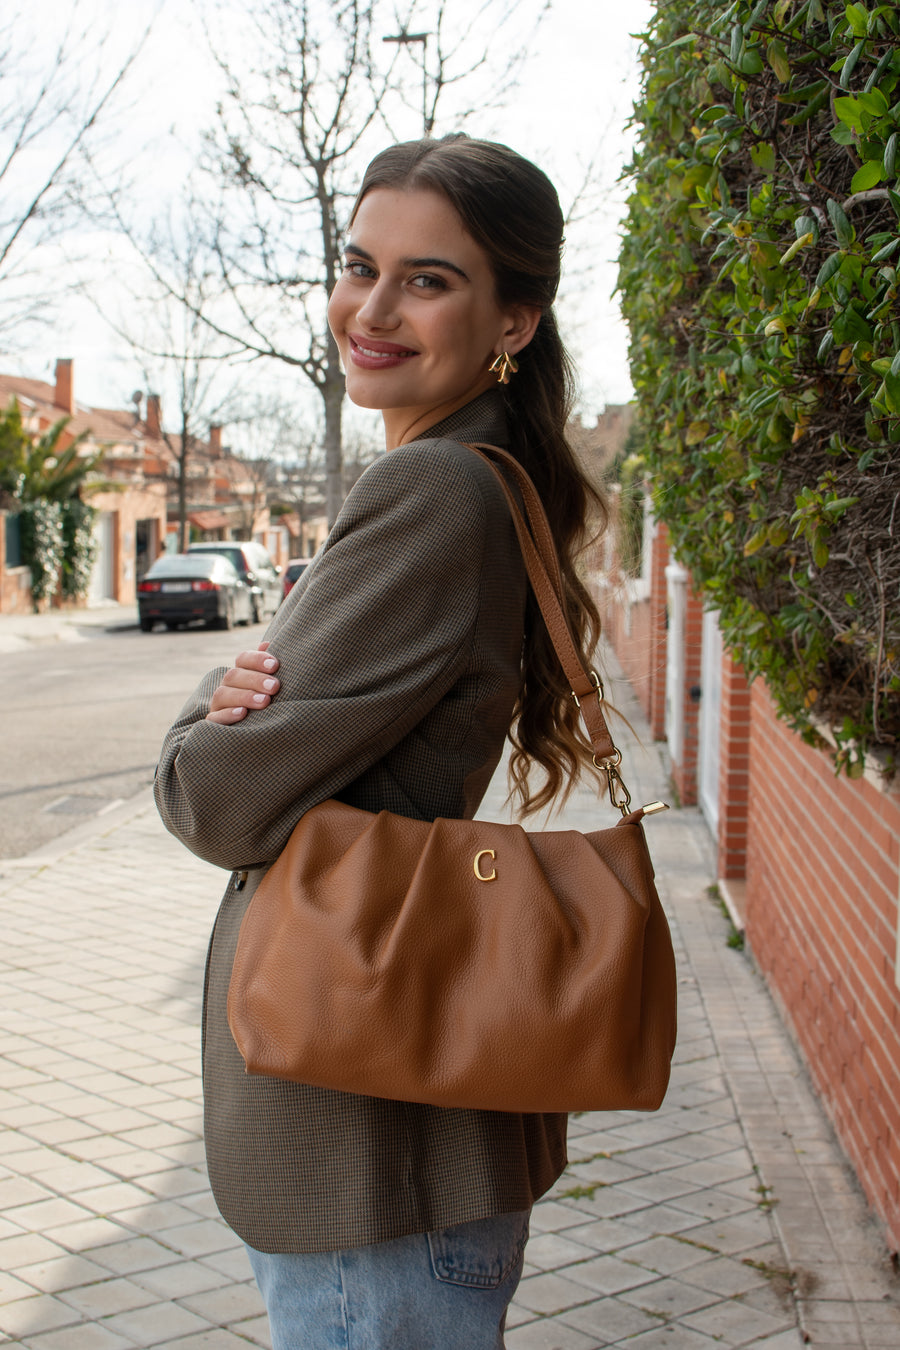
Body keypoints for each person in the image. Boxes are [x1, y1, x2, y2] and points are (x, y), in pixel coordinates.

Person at [155, 133, 605, 1350]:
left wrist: (207, 706)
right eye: (361, 265)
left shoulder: (434, 491)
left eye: (430, 279)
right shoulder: (475, 470)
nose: (373, 307)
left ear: (516, 315)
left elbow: (215, 803)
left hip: (367, 1141)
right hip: (395, 1114)